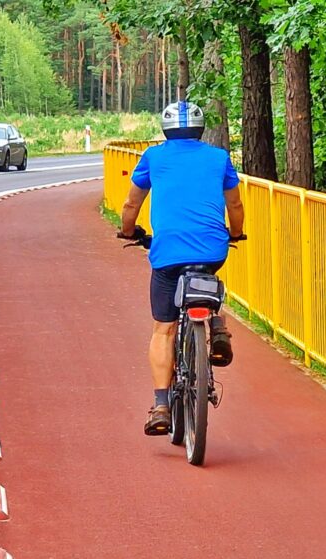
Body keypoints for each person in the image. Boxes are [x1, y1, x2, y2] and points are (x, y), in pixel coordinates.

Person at [118, 100, 245, 436]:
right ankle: (216, 325)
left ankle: (161, 404)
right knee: (207, 278)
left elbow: (132, 202)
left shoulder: (153, 157)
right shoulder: (219, 158)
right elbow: (235, 203)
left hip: (169, 252)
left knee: (164, 328)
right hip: (212, 248)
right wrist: (235, 233)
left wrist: (129, 231)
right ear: (200, 130)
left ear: (166, 129)